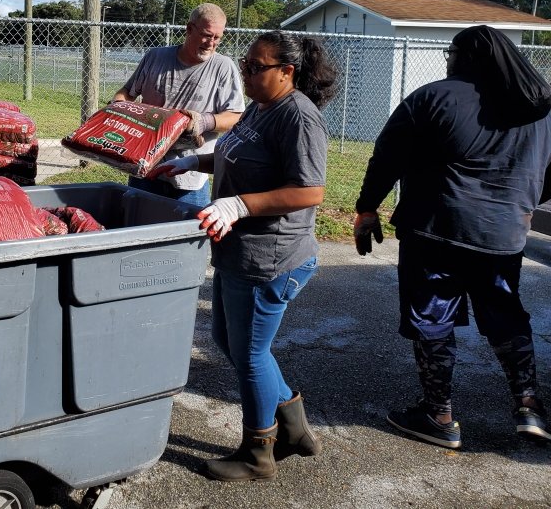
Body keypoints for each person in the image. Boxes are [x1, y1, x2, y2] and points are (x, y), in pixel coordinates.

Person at [354, 24, 551, 450]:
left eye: (451, 53)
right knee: (505, 314)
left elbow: (387, 156)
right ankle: (529, 407)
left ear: (466, 56)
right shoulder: (539, 107)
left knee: (432, 315)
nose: (448, 60)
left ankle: (438, 415)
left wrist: (367, 208)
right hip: (504, 234)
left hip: (436, 231)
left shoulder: (433, 96)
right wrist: (518, 199)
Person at [152, 30, 337, 482]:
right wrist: (195, 162)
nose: (245, 74)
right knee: (229, 341)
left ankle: (258, 453)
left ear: (286, 72)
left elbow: (310, 190)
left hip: (268, 257)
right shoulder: (262, 105)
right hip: (239, 251)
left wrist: (239, 204)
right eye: (245, 64)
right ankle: (293, 427)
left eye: (256, 67)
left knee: (250, 354)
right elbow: (240, 153)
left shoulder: (298, 118)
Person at [113, 2, 244, 206]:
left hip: (189, 175)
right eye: (207, 35)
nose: (211, 43)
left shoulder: (223, 67)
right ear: (189, 29)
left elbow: (236, 116)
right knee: (137, 225)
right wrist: (116, 108)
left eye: (217, 38)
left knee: (185, 233)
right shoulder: (155, 57)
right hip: (145, 167)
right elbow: (126, 94)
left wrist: (204, 122)